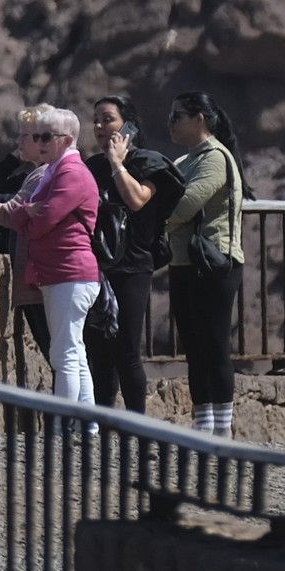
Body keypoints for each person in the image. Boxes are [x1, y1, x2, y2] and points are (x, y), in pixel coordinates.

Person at [0, 106, 100, 424]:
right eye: (38, 136)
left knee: (65, 355)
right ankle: (89, 426)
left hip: (69, 272)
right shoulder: (54, 172)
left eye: (46, 136)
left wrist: (30, 215)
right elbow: (23, 214)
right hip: (60, 272)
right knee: (74, 352)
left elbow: (39, 221)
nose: (39, 142)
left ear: (67, 139)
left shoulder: (71, 173)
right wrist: (29, 213)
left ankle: (62, 427)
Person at [84, 96, 184, 414]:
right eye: (96, 120)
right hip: (98, 266)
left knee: (127, 348)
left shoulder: (148, 163)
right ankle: (102, 421)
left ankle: (136, 424)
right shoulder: (92, 167)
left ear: (128, 125)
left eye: (108, 119)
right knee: (98, 349)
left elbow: (137, 199)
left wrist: (117, 163)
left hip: (132, 266)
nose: (100, 126)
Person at [164, 91, 253, 438]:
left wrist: (155, 220)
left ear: (199, 118)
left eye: (177, 116)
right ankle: (204, 424)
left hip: (214, 264)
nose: (170, 124)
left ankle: (222, 427)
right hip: (185, 262)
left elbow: (185, 204)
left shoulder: (214, 158)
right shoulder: (188, 159)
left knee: (214, 345)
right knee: (193, 344)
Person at [0, 103, 54, 365]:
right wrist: (17, 155)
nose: (18, 140)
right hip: (34, 274)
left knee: (60, 355)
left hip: (47, 275)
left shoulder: (50, 174)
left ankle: (74, 407)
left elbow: (15, 207)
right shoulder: (29, 171)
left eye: (25, 135)